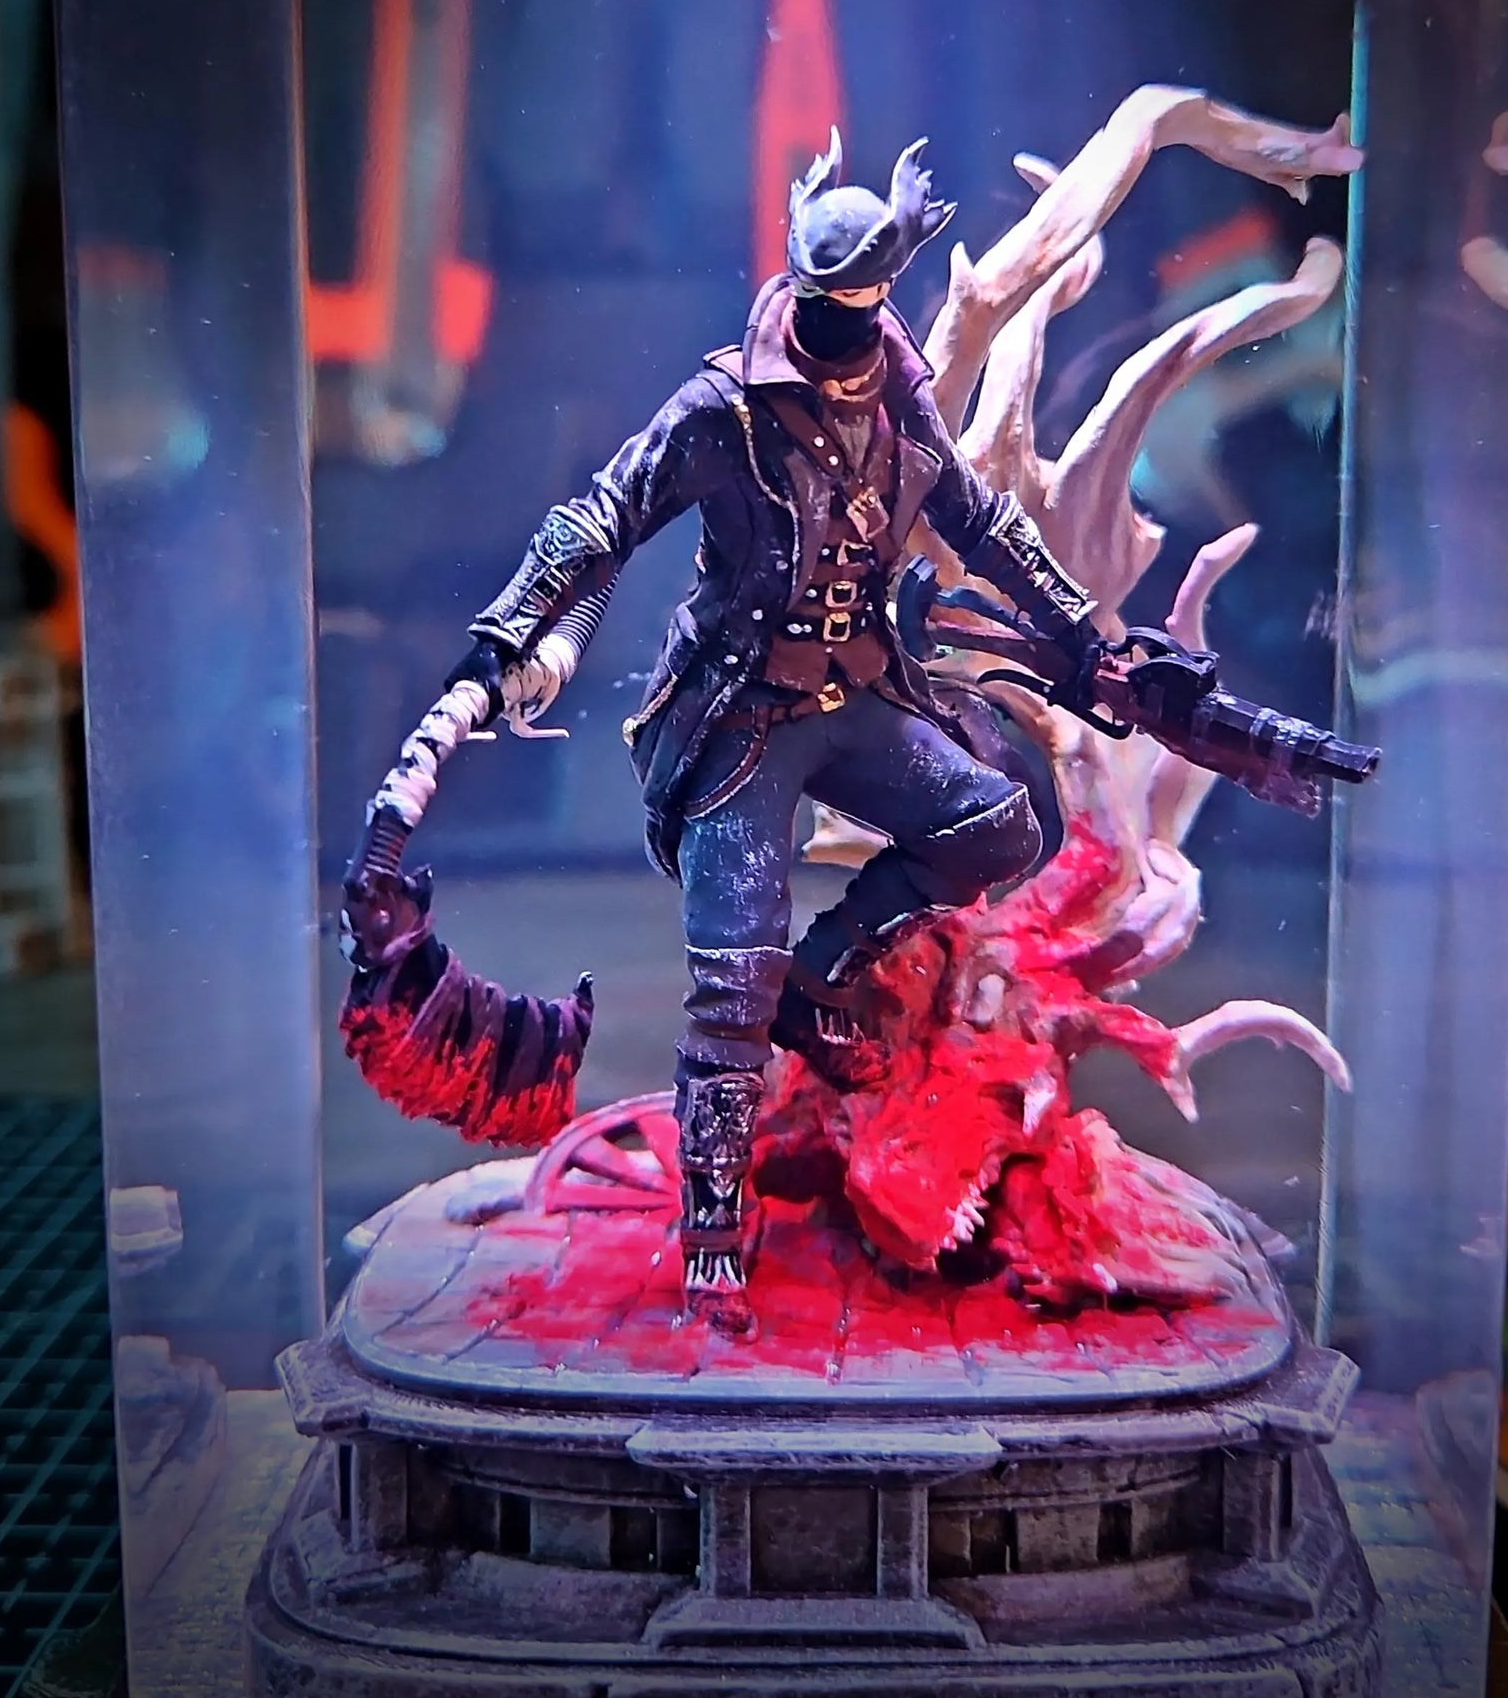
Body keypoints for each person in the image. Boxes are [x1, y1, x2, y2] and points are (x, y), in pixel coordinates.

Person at [446, 133, 1100, 1320]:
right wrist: (507, 634)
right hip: (741, 721)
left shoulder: (899, 390)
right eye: (835, 307)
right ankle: (710, 1227)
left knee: (1001, 828)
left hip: (862, 699)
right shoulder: (726, 409)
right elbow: (602, 514)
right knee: (728, 986)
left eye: (869, 307)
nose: (853, 336)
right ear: (800, 291)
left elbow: (973, 513)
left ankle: (826, 968)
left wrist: (1084, 631)